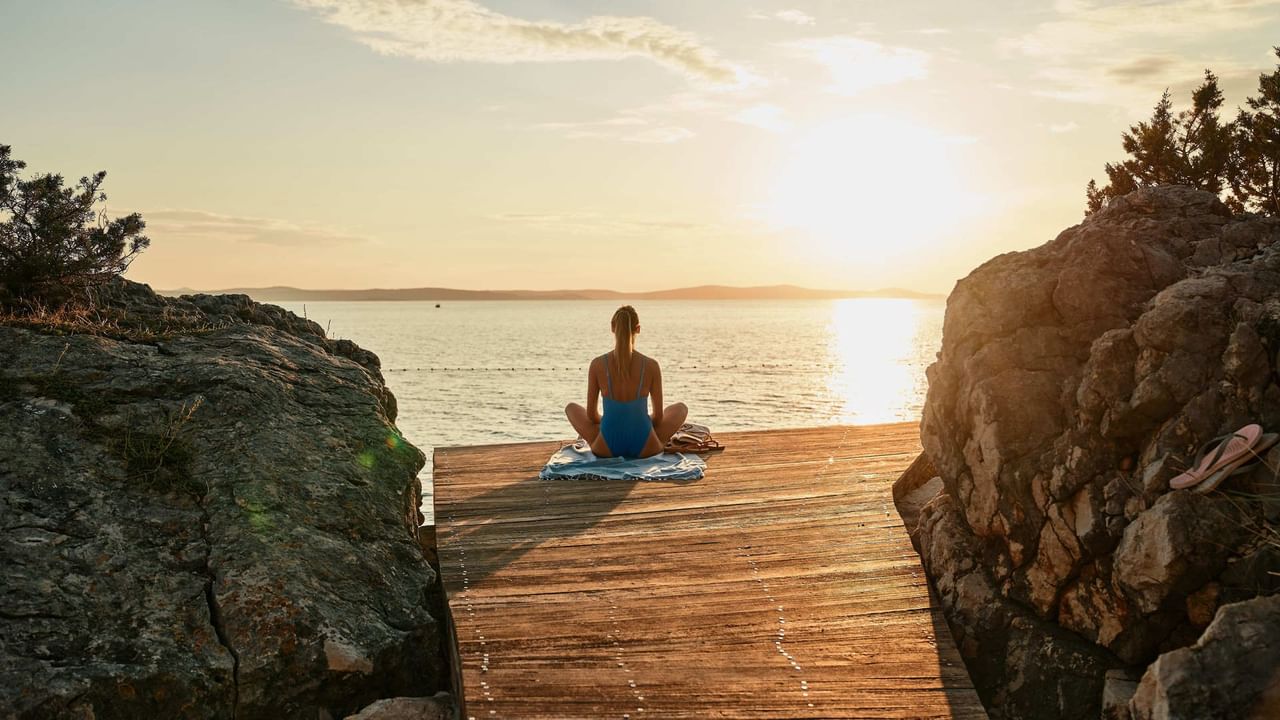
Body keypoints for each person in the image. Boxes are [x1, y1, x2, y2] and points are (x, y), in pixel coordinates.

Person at [564, 305, 688, 458]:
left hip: (606, 447)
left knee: (571, 408)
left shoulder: (597, 364)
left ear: (612, 327)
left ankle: (614, 429)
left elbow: (591, 415)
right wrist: (638, 421)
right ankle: (649, 435)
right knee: (680, 408)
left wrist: (611, 422)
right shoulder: (651, 365)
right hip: (646, 447)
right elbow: (658, 418)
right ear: (638, 329)